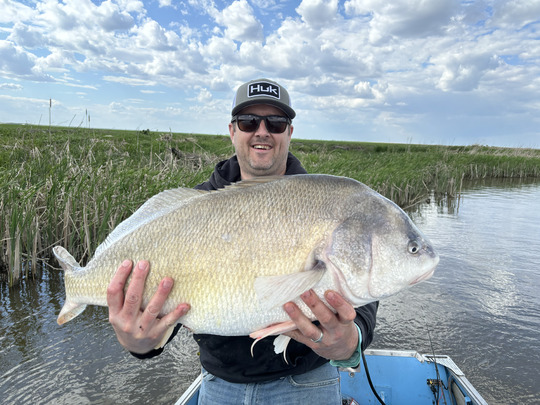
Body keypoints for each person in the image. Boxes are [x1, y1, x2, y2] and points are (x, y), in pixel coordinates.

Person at [107, 78, 379, 404]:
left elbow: (362, 292)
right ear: (233, 130)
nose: (262, 131)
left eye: (276, 123)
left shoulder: (327, 201)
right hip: (219, 384)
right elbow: (162, 315)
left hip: (307, 383)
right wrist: (138, 343)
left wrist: (349, 343)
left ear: (289, 132)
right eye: (249, 121)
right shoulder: (192, 209)